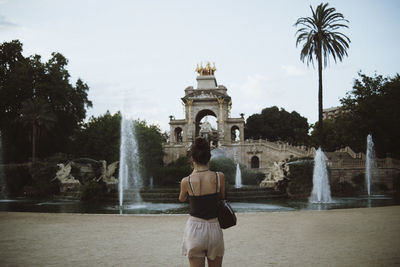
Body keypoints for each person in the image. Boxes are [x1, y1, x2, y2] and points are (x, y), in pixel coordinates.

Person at [179, 137, 226, 267]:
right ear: (209, 158)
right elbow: (221, 197)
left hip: (194, 229)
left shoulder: (186, 181)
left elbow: (182, 199)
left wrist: (194, 170)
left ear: (192, 158)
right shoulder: (219, 177)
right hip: (214, 227)